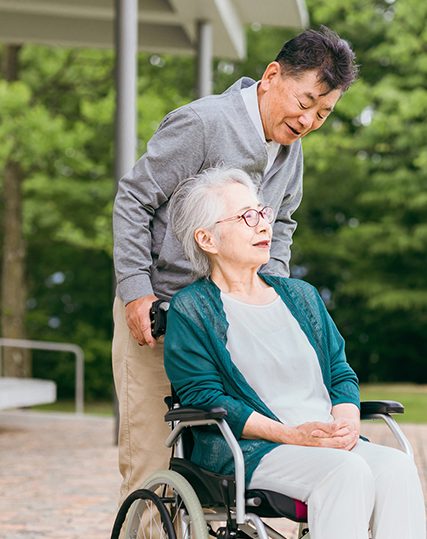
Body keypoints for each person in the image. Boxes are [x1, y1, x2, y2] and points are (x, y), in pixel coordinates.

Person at [111, 26, 358, 503]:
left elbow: (281, 223)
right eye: (305, 103)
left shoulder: (291, 149)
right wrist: (136, 288)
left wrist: (274, 301)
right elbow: (134, 200)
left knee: (241, 464)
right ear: (271, 76)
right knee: (151, 463)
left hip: (237, 325)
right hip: (162, 315)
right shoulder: (203, 124)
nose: (309, 121)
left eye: (323, 113)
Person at [163, 167, 426, 539]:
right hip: (251, 450)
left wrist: (346, 426)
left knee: (396, 467)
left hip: (323, 441)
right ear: (208, 239)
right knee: (345, 472)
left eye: (262, 212)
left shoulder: (301, 297)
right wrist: (292, 435)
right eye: (246, 217)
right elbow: (205, 396)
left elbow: (340, 374)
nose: (263, 226)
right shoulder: (192, 309)